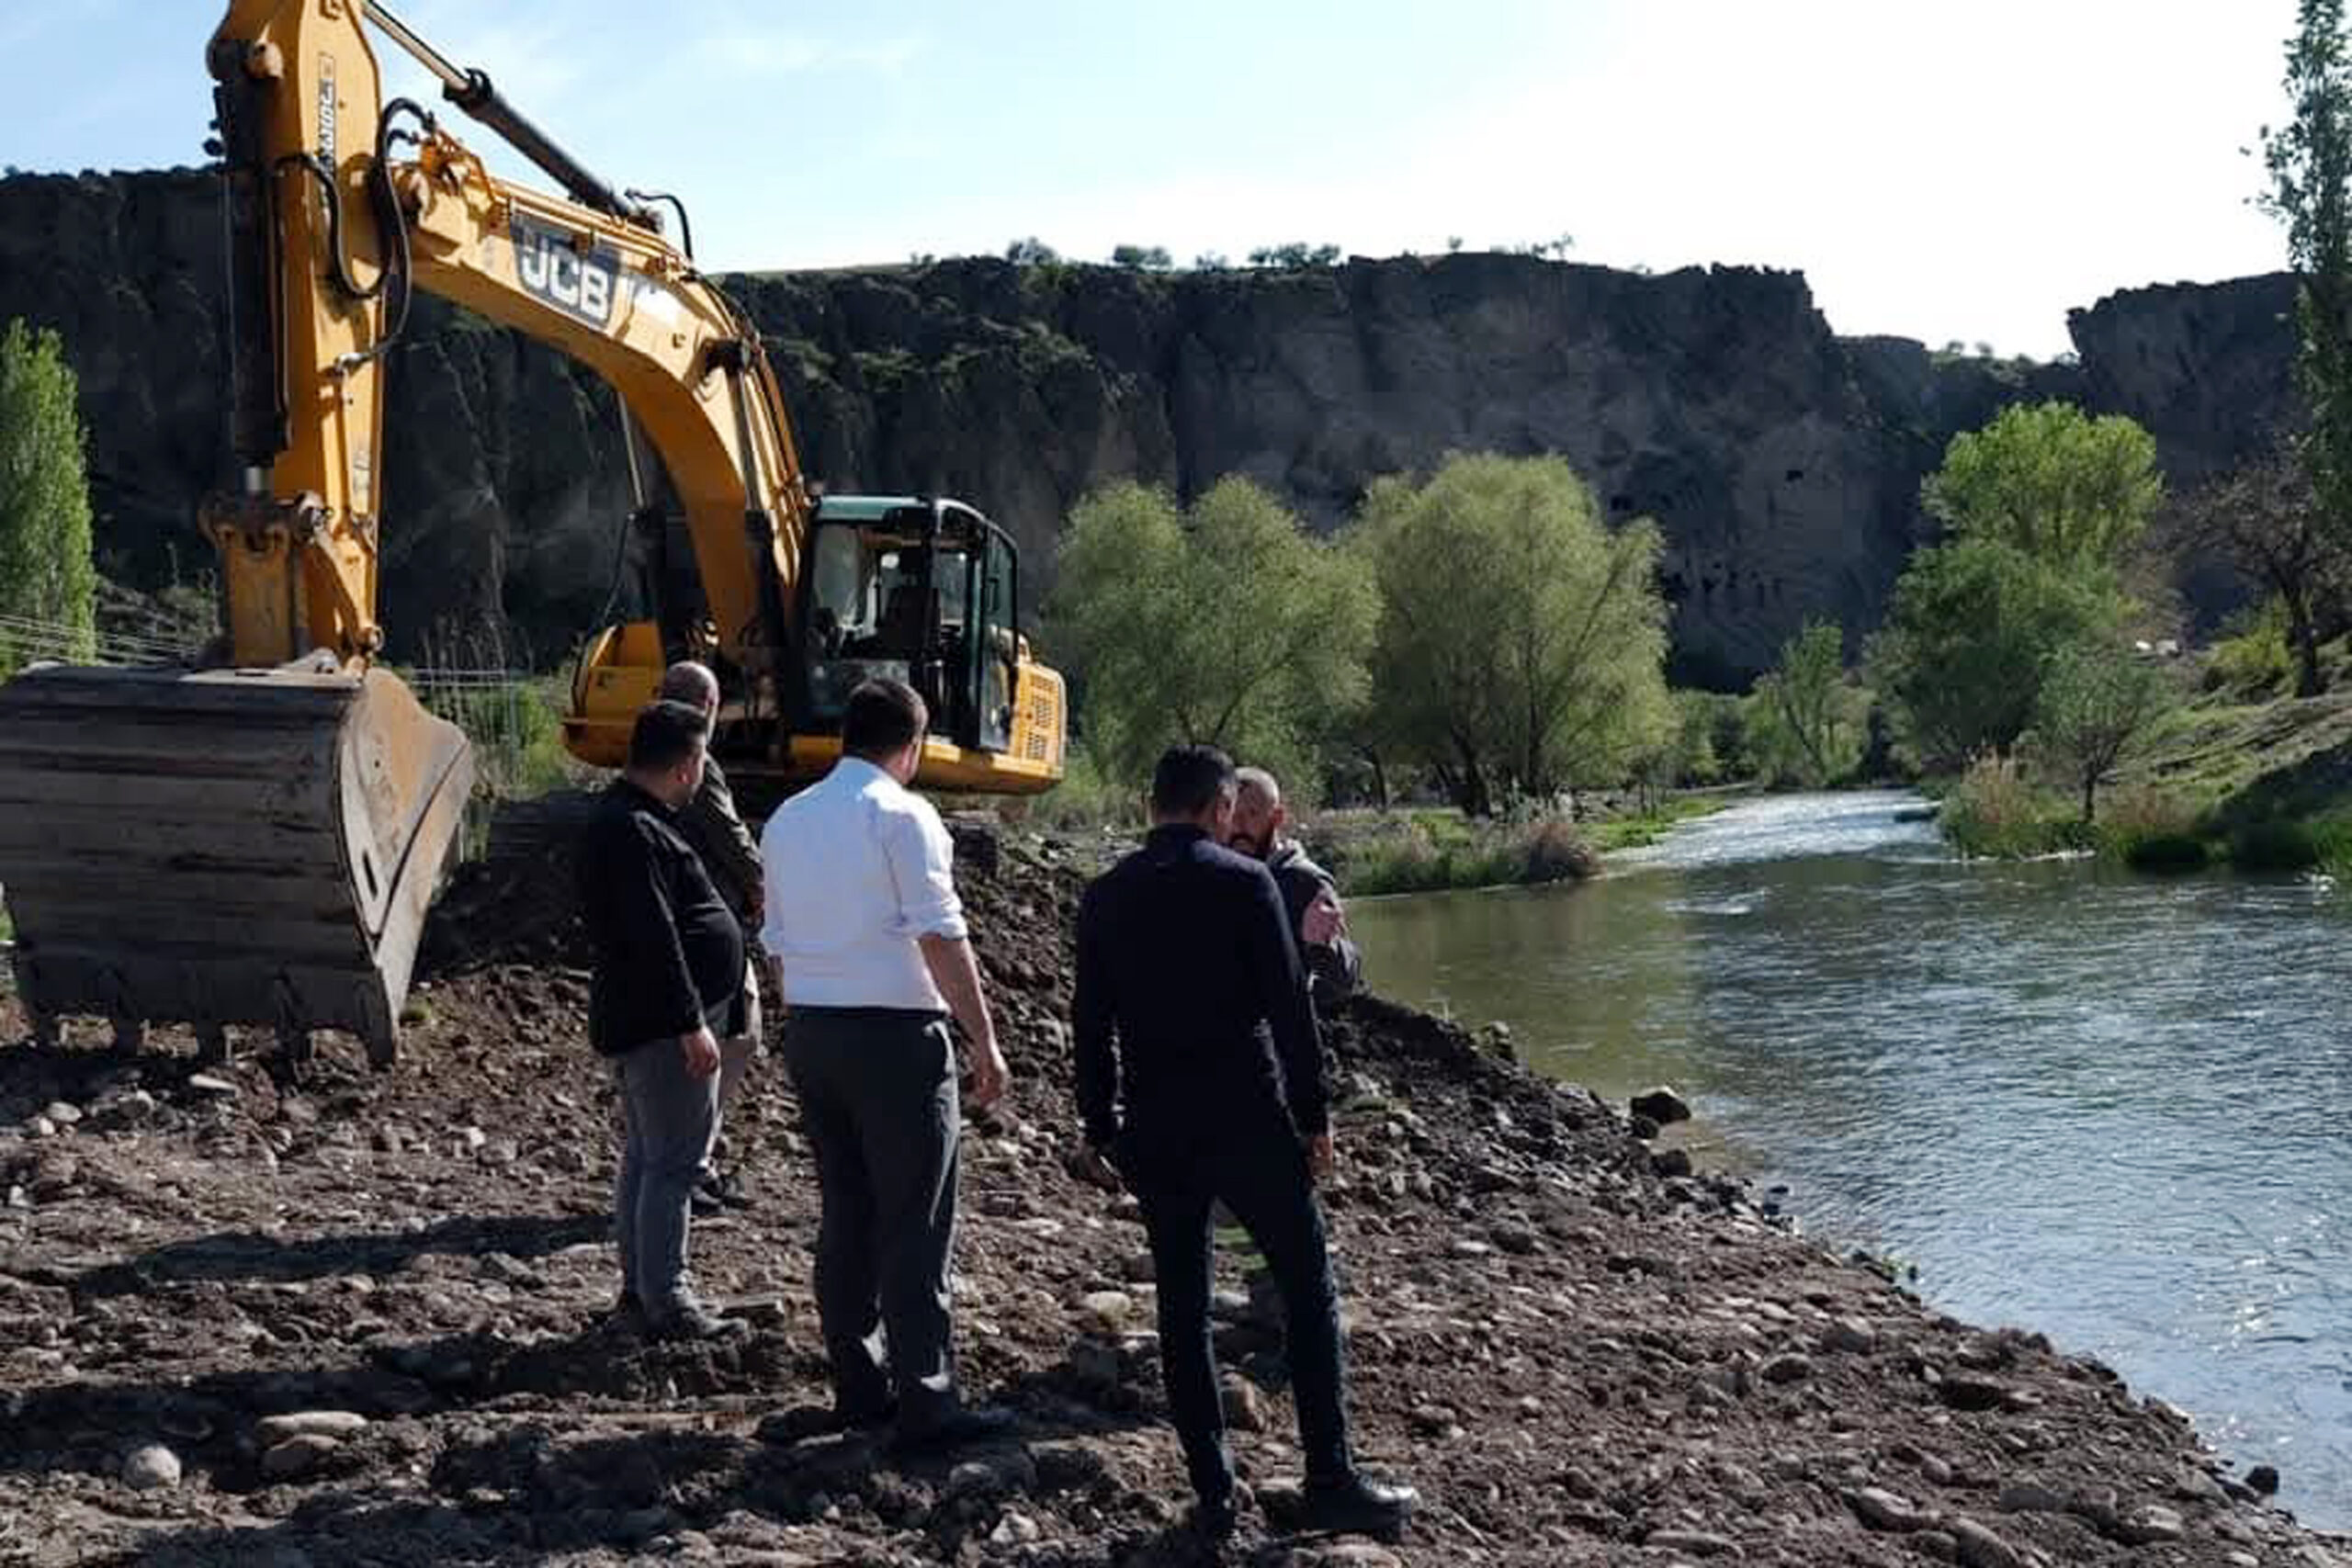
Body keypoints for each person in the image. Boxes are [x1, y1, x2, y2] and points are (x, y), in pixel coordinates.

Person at [1071, 744, 1417, 1542]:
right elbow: (1288, 1012)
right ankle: (1330, 1478)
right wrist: (1314, 1116)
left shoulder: (1107, 896)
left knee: (1182, 1310)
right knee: (1308, 1289)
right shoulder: (1245, 881)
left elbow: (1090, 1024)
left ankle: (1216, 1496)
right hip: (1249, 1117)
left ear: (1150, 804)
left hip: (1156, 1127)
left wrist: (1101, 1126)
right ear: (1221, 808)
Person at [760, 676, 1013, 1450]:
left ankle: (859, 1384)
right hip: (896, 1037)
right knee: (915, 1219)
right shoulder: (904, 815)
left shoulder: (787, 818)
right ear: (911, 745)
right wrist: (983, 1036)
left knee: (847, 1213)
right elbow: (940, 935)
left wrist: (803, 1011)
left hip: (814, 1029)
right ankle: (927, 1397)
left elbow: (773, 940)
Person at [576, 700, 748, 1342]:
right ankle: (665, 1297)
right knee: (673, 1162)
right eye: (702, 759)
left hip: (649, 1015)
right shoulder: (634, 830)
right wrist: (689, 1021)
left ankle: (640, 1291)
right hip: (664, 1020)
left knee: (649, 1157)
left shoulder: (630, 820)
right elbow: (654, 933)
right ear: (686, 765)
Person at [655, 660, 764, 1215]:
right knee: (734, 1039)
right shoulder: (698, 769)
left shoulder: (642, 769)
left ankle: (686, 1158)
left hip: (673, 923)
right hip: (711, 924)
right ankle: (689, 1163)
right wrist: (762, 885)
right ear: (708, 708)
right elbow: (730, 834)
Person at [1227, 766, 1362, 1002]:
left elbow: (1345, 979)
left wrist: (1321, 947)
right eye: (1231, 815)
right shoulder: (1219, 876)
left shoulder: (1305, 882)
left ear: (1277, 818)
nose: (1239, 827)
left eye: (1251, 814)